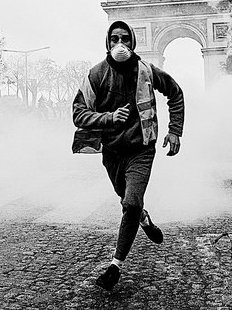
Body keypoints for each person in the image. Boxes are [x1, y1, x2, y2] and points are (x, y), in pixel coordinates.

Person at [72, 20, 184, 291]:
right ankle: (143, 219)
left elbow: (175, 92)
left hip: (142, 149)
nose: (119, 44)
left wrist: (174, 130)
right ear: (107, 42)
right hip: (112, 152)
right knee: (128, 202)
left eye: (124, 38)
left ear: (133, 42)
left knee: (130, 204)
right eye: (114, 39)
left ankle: (115, 266)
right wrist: (109, 117)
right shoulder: (95, 75)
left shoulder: (147, 70)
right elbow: (78, 113)